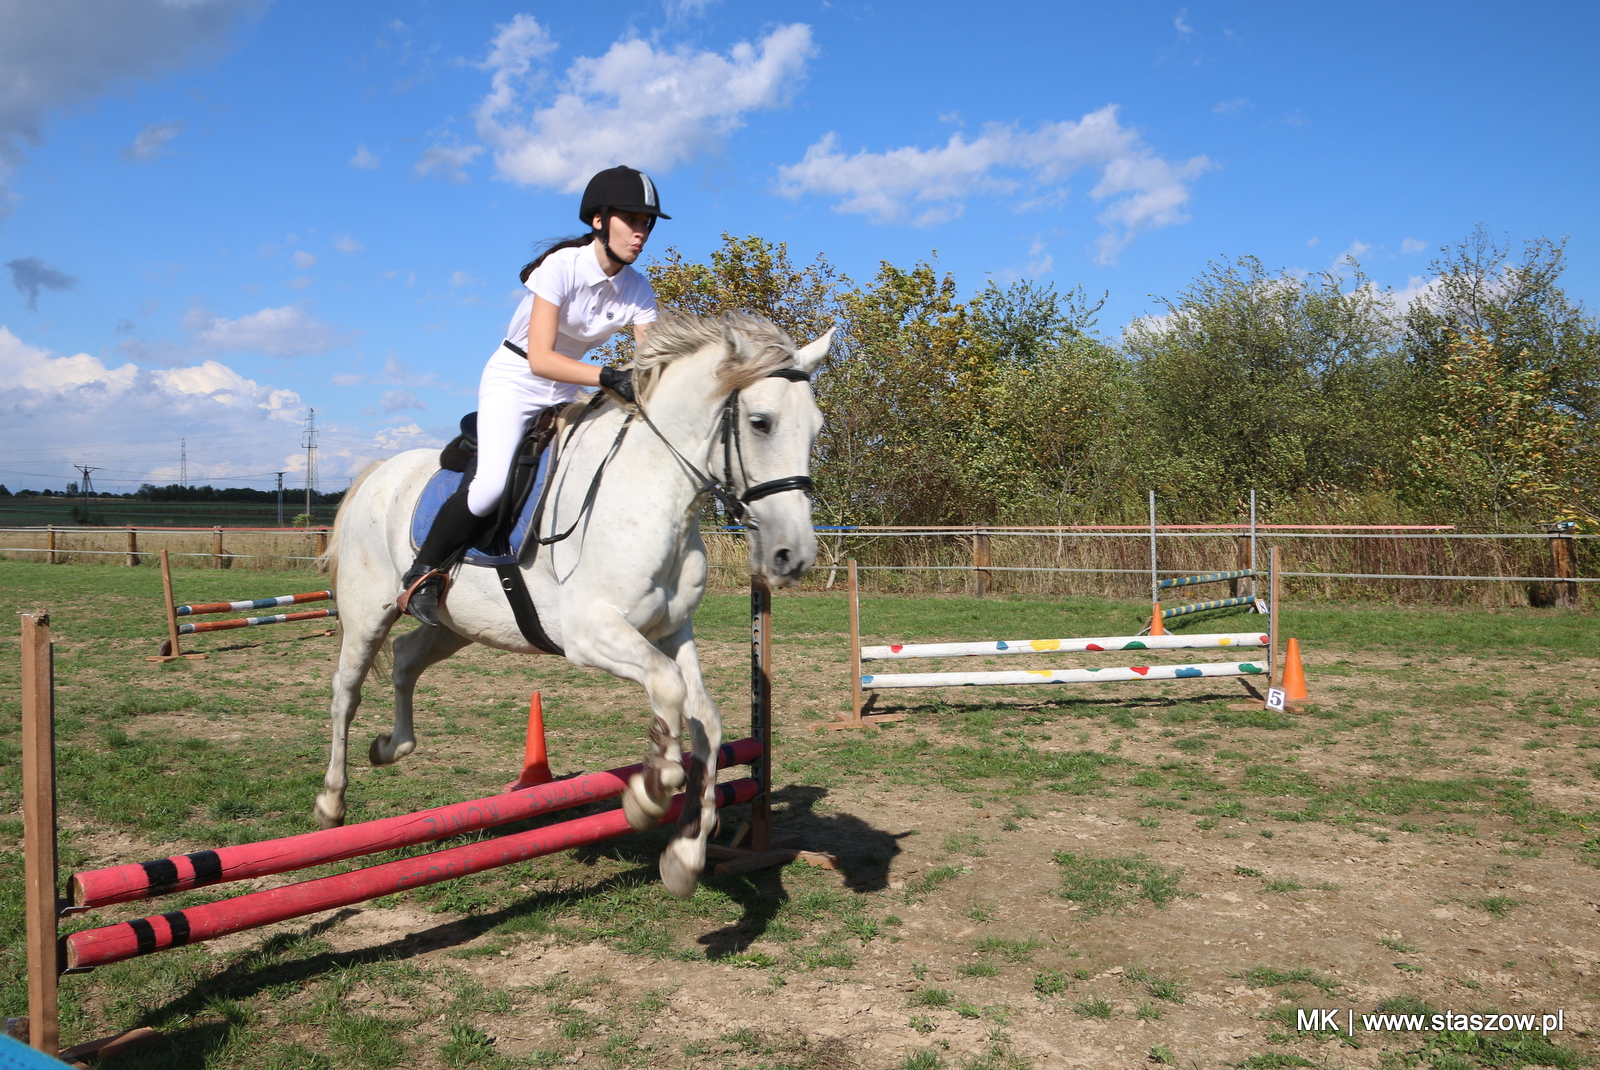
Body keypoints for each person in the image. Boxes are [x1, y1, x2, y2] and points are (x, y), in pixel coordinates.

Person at [398, 165, 668, 626]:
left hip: (569, 386)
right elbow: (540, 358)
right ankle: (422, 575)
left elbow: (652, 358)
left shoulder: (638, 289)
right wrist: (608, 376)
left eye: (647, 223)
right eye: (631, 219)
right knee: (489, 489)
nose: (641, 232)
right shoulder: (561, 267)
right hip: (516, 377)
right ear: (598, 220)